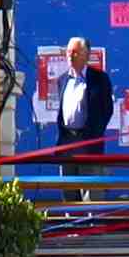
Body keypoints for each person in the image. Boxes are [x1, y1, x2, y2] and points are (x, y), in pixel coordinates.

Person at [42, 36, 114, 201]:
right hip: (67, 142)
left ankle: (92, 218)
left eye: (74, 52)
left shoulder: (99, 79)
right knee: (69, 190)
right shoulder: (62, 80)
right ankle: (71, 217)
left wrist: (92, 135)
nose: (70, 55)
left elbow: (107, 110)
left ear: (86, 55)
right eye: (68, 52)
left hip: (88, 142)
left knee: (91, 192)